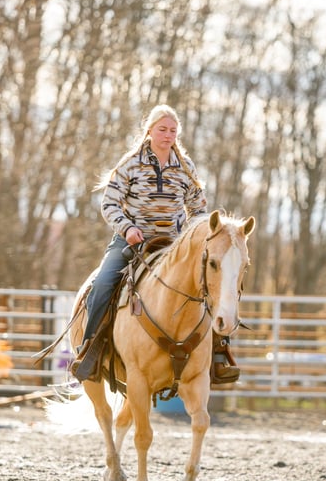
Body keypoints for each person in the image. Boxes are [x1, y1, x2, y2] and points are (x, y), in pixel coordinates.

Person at [71, 104, 239, 382]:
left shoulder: (186, 167)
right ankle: (90, 350)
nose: (168, 135)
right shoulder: (130, 163)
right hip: (131, 241)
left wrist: (191, 237)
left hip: (174, 245)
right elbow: (109, 203)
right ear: (149, 130)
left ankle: (219, 354)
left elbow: (198, 210)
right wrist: (127, 228)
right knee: (102, 284)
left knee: (209, 282)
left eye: (173, 131)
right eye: (162, 129)